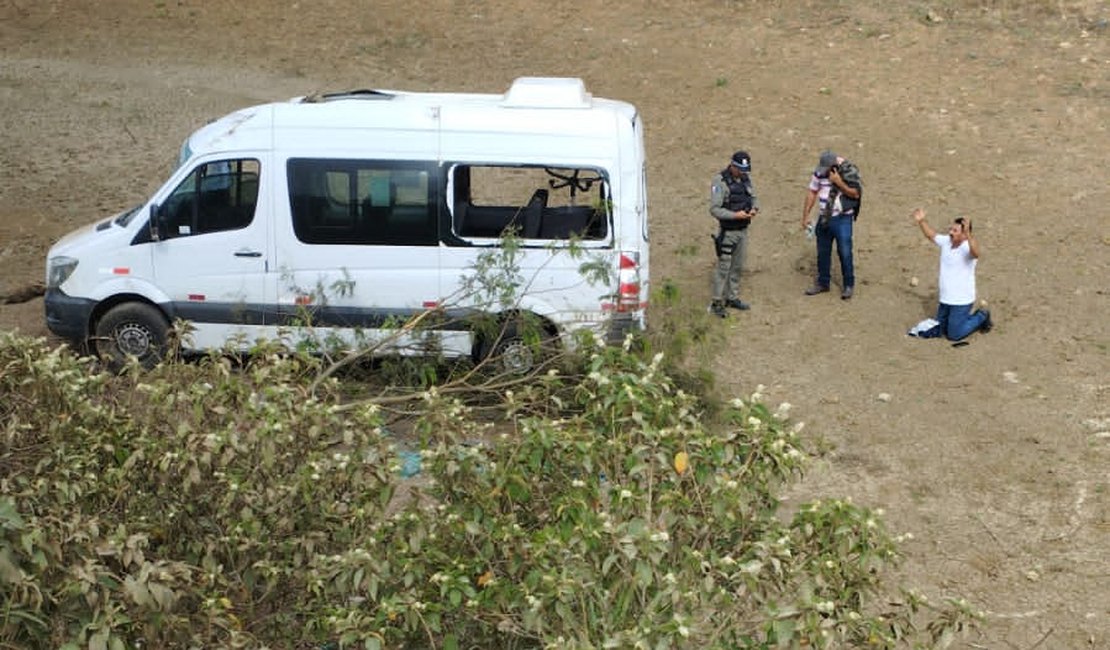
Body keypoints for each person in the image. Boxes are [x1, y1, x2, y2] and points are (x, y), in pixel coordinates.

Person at [910, 207, 992, 340]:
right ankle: (961, 320)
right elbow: (931, 235)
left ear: (965, 234)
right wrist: (921, 221)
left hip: (961, 300)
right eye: (951, 229)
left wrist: (968, 234)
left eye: (955, 231)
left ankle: (981, 316)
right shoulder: (946, 242)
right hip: (945, 299)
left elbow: (976, 253)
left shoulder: (967, 248)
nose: (950, 233)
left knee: (954, 334)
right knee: (938, 329)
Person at [801, 150, 862, 299]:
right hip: (824, 217)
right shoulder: (819, 173)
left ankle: (848, 284)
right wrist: (805, 215)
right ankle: (823, 282)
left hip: (842, 219)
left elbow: (855, 194)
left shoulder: (848, 171)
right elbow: (812, 192)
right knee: (822, 252)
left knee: (845, 252)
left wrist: (838, 182)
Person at [708, 150, 759, 318]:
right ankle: (717, 301)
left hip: (743, 231)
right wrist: (735, 215)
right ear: (732, 165)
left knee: (737, 266)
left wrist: (753, 209)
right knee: (723, 268)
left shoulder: (746, 180)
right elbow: (715, 209)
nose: (742, 172)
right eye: (739, 169)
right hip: (728, 232)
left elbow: (754, 198)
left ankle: (732, 297)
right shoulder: (720, 181)